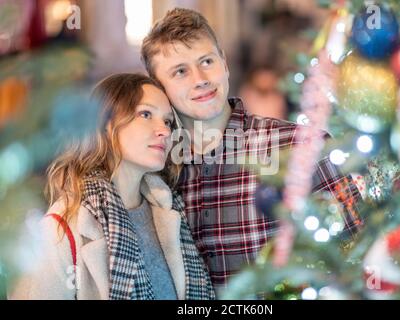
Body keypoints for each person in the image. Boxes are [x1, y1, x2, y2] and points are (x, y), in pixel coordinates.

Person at [141, 8, 362, 293]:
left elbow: (361, 255)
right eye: (180, 71)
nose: (200, 79)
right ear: (160, 88)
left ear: (225, 63)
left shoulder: (301, 147)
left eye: (207, 61)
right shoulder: (156, 171)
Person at [10, 73, 215, 300]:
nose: (164, 131)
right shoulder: (59, 228)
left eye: (167, 121)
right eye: (146, 114)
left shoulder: (173, 212)